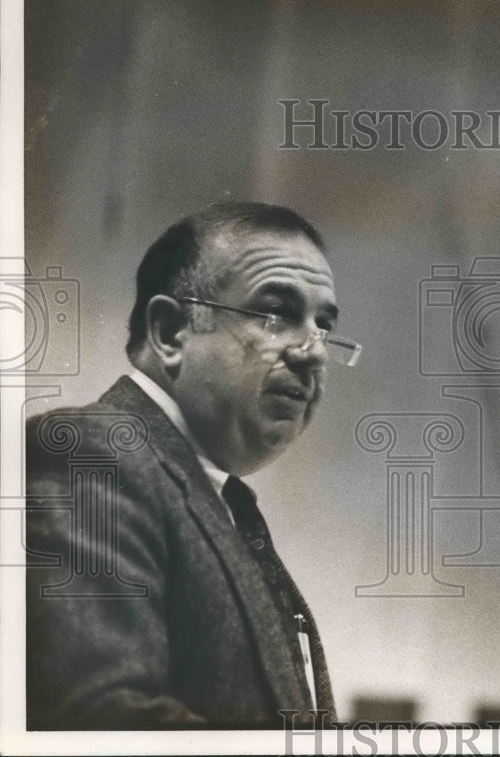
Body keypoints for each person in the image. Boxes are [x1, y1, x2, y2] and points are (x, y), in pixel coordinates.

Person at [25, 200, 361, 729]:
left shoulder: (215, 494)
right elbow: (99, 719)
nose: (314, 353)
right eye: (276, 314)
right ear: (170, 331)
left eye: (324, 327)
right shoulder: (92, 453)